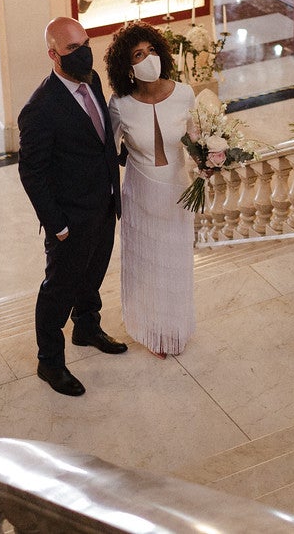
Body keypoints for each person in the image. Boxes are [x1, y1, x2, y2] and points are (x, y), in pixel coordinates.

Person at [17, 16, 127, 396]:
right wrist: (57, 225)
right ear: (53, 54)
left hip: (103, 203)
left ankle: (87, 327)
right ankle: (49, 362)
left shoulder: (92, 81)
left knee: (94, 272)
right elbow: (32, 174)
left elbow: (99, 138)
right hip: (69, 218)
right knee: (58, 290)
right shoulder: (40, 109)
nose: (83, 53)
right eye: (72, 49)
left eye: (85, 43)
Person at [104, 22, 197, 358]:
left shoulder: (185, 94)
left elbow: (199, 143)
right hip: (140, 195)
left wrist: (210, 166)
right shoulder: (120, 104)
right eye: (139, 54)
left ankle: (174, 328)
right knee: (147, 265)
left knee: (174, 262)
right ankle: (152, 329)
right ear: (127, 68)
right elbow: (107, 151)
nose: (149, 59)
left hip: (176, 192)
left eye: (152, 50)